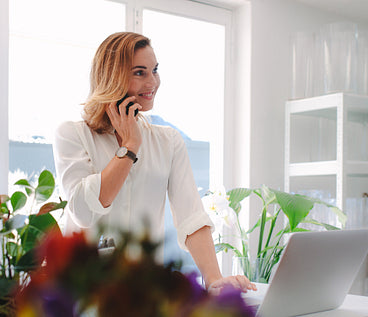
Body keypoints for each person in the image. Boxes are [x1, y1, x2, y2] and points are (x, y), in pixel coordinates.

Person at [53, 32, 255, 294]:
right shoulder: (72, 134)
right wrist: (130, 147)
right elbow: (83, 211)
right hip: (86, 294)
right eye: (140, 72)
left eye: (155, 70)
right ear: (112, 77)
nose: (153, 82)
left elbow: (191, 216)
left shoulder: (168, 141)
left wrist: (214, 279)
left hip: (143, 295)